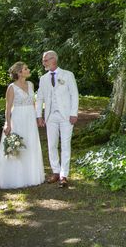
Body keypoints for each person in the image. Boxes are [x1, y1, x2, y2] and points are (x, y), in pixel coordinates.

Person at [0, 62, 45, 189]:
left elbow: (33, 103)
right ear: (19, 73)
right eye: (26, 69)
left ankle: (31, 176)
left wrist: (38, 117)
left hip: (30, 119)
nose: (28, 70)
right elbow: (8, 108)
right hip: (18, 118)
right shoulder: (12, 87)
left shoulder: (31, 84)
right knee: (18, 146)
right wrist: (7, 124)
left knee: (31, 144)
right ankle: (16, 178)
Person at [36, 50, 79, 188]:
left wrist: (74, 113)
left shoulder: (68, 75)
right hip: (50, 116)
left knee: (65, 145)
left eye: (45, 60)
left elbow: (74, 94)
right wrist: (39, 115)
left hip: (66, 115)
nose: (44, 63)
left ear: (54, 59)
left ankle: (63, 174)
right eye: (43, 60)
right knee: (52, 144)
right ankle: (55, 171)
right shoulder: (43, 78)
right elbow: (40, 98)